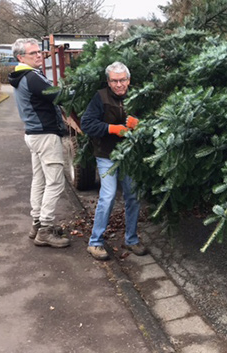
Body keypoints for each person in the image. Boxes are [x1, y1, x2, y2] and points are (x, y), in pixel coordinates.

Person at [81, 61, 146, 260]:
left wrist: (141, 124)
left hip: (129, 156)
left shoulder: (137, 96)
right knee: (108, 196)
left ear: (129, 80)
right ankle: (95, 242)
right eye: (114, 81)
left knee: (133, 197)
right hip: (106, 155)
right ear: (108, 82)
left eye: (122, 80)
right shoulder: (100, 98)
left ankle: (131, 239)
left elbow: (156, 122)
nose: (119, 85)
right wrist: (112, 128)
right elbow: (87, 123)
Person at [8, 38, 70, 248]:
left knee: (40, 179)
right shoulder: (32, 78)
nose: (39, 55)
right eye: (33, 53)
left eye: (39, 52)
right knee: (55, 182)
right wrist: (77, 90)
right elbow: (58, 96)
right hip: (45, 135)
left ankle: (37, 222)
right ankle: (45, 229)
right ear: (20, 57)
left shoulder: (20, 76)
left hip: (33, 134)